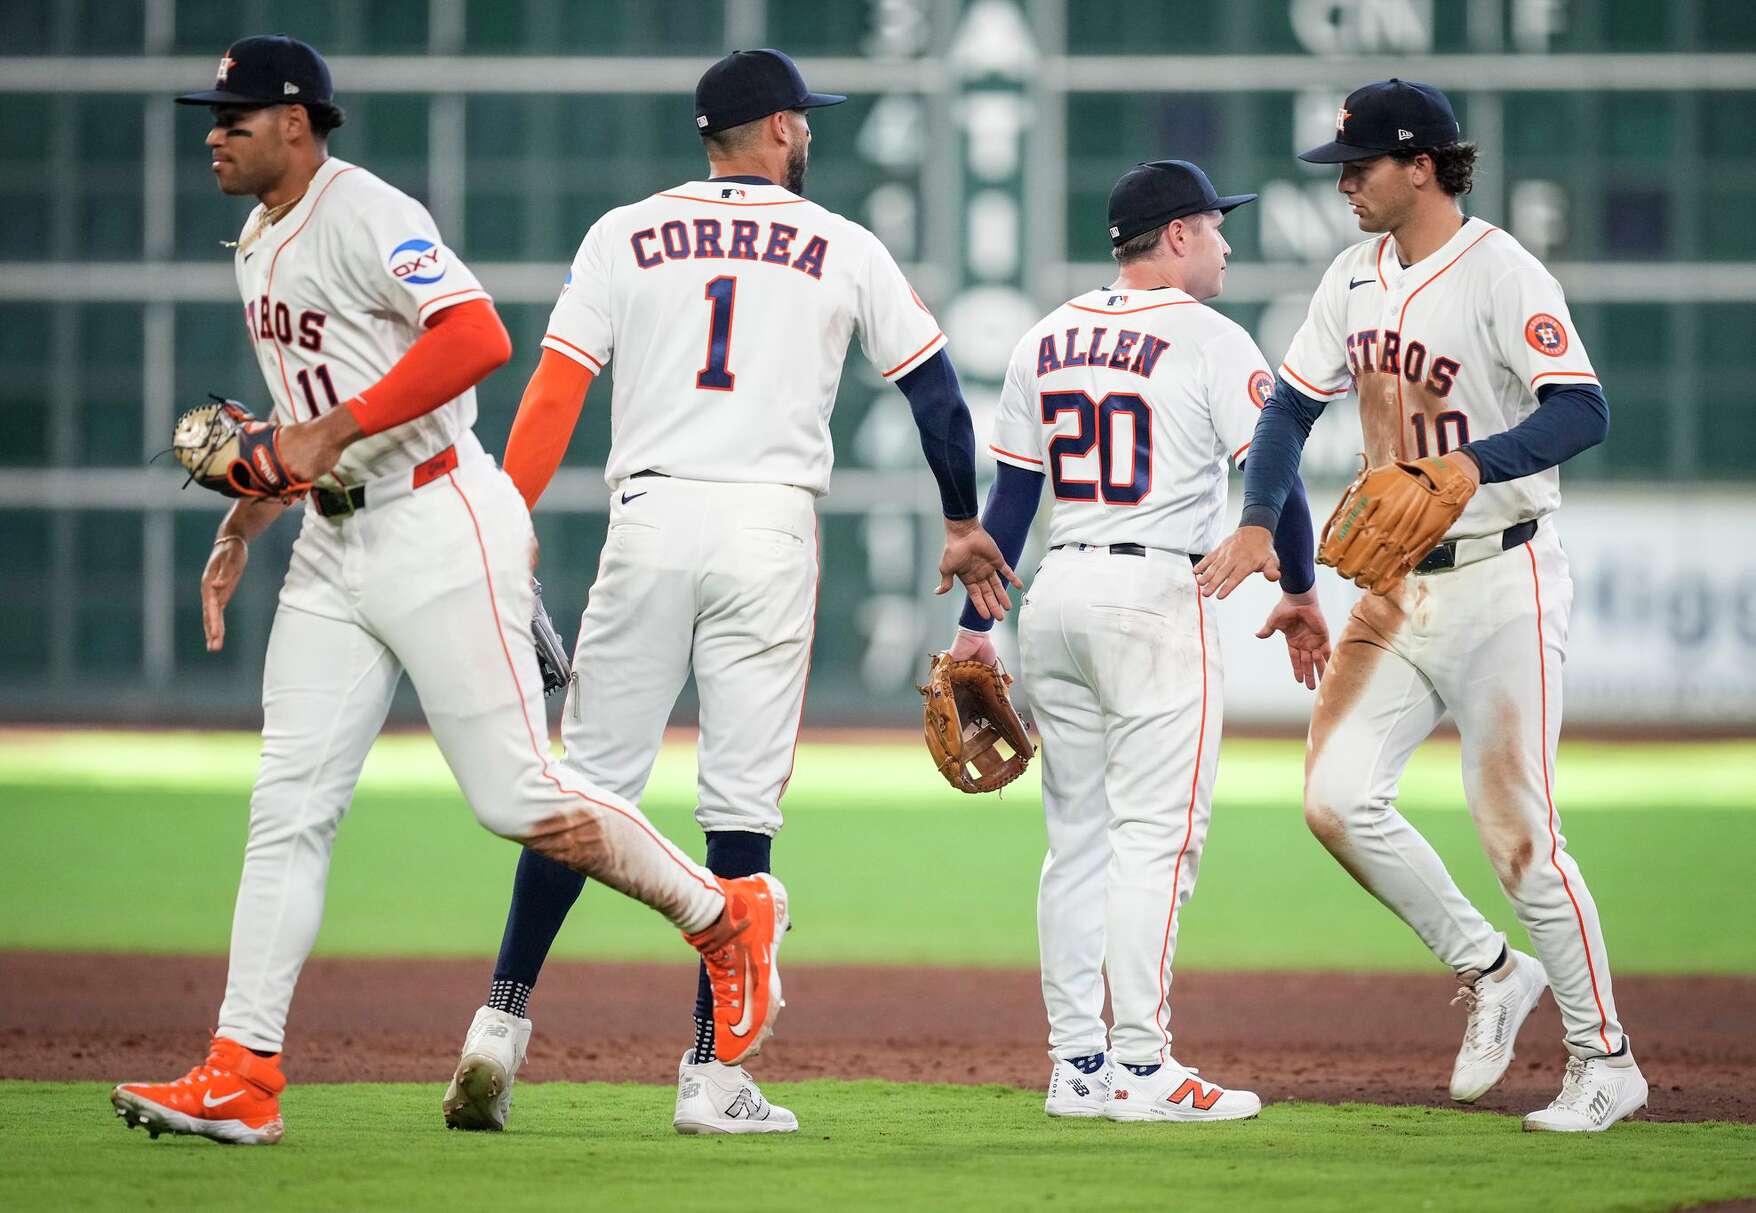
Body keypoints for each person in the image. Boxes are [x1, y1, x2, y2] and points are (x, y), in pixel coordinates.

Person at [109, 36, 788, 1147]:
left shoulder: (364, 208)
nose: (213, 132)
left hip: (436, 516)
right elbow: (303, 415)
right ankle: (243, 1067)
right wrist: (250, 509)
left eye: (234, 115)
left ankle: (727, 921)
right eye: (212, 115)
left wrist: (326, 431)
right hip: (332, 546)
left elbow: (477, 335)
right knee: (287, 807)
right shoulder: (256, 239)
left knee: (514, 795)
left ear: (298, 120)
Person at [441, 48, 1016, 1136]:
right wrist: (957, 516)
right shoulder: (840, 242)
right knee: (739, 812)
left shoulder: (622, 231)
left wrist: (503, 524)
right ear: (782, 128)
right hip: (765, 528)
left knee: (587, 786)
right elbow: (937, 393)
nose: (810, 135)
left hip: (647, 521)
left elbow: (554, 392)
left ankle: (498, 1025)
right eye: (805, 121)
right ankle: (709, 1078)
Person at [1202, 78, 1645, 1132]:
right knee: (1333, 798)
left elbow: (1581, 409)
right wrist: (1261, 517)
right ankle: (1490, 969)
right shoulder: (1349, 277)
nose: (1343, 181)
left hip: (1502, 576)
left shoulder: (1499, 270)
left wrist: (1468, 465)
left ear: (1421, 164)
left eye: (1357, 165)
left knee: (1520, 839)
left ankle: (1605, 1060)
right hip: (1392, 585)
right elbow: (1287, 413)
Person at [946, 160, 1330, 1123]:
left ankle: (1076, 1066)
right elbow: (1270, 469)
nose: (1227, 240)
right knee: (1158, 838)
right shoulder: (1210, 337)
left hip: (1061, 589)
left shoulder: (1047, 334)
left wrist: (975, 627)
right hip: (1160, 588)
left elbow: (1012, 501)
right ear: (1175, 237)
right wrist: (1303, 584)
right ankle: (1143, 1066)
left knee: (1075, 840)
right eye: (1216, 224)